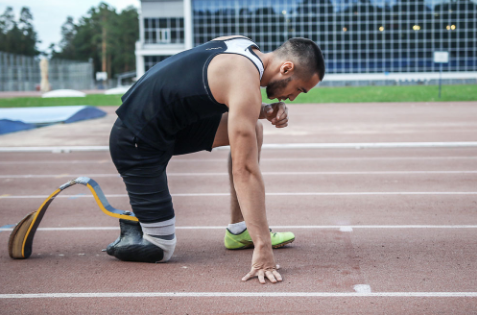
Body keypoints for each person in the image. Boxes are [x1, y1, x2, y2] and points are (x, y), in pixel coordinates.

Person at [108, 35, 325, 284]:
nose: (293, 98)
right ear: (287, 68)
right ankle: (130, 228)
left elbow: (199, 85)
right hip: (136, 141)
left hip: (168, 128)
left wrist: (262, 109)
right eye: (298, 88)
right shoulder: (245, 79)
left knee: (254, 128)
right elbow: (245, 170)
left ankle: (239, 230)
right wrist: (264, 249)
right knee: (160, 248)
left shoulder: (242, 46)